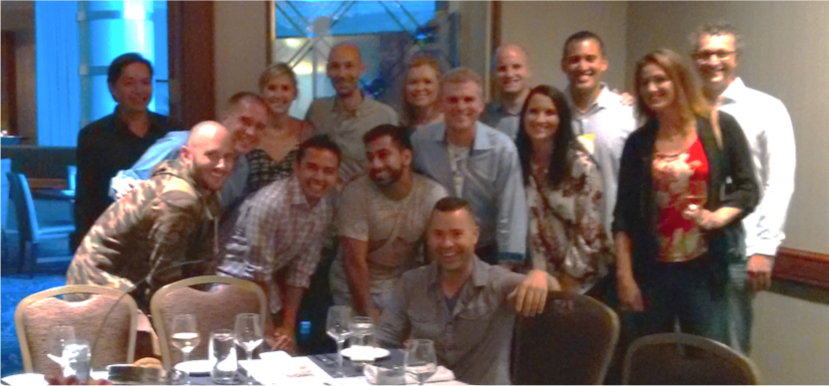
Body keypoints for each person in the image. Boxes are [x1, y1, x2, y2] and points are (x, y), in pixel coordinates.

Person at [614, 48, 758, 344]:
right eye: (645, 83)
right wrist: (625, 277)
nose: (652, 89)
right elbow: (623, 215)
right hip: (652, 272)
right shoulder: (638, 143)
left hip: (705, 270)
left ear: (679, 80)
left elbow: (748, 189)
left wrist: (717, 216)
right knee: (651, 358)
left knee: (706, 360)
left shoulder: (719, 125)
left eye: (661, 79)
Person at [690, 23, 796, 353]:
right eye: (705, 54)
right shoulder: (683, 110)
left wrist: (764, 249)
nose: (713, 61)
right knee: (691, 346)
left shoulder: (766, 109)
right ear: (695, 60)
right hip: (687, 249)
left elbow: (779, 182)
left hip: (739, 249)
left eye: (722, 53)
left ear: (736, 58)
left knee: (730, 348)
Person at [376, 197, 560, 386]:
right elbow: (384, 341)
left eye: (457, 234)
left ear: (475, 235)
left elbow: (559, 296)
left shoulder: (498, 283)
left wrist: (541, 276)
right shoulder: (411, 283)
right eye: (438, 234)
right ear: (428, 238)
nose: (447, 243)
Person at [67, 120, 236, 311]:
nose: (222, 166)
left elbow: (198, 267)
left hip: (129, 283)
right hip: (99, 290)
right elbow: (164, 284)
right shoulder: (179, 199)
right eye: (211, 156)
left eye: (228, 157)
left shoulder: (206, 191)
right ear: (186, 155)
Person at [216, 136, 341, 353]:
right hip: (230, 283)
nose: (319, 177)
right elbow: (258, 270)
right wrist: (267, 329)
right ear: (296, 167)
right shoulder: (271, 202)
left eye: (328, 171)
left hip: (266, 287)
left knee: (286, 351)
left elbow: (300, 273)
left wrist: (287, 328)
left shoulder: (323, 208)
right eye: (312, 168)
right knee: (262, 353)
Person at [329, 124, 448, 320]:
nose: (375, 164)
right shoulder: (356, 193)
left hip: (400, 286)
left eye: (384, 155)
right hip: (351, 288)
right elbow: (354, 262)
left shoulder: (432, 195)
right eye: (370, 157)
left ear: (406, 157)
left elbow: (434, 260)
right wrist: (368, 316)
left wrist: (428, 307)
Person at [410, 68, 527, 266]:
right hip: (438, 252)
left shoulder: (501, 148)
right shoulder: (420, 143)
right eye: (453, 100)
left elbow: (511, 211)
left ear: (481, 105)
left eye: (469, 99)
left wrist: (507, 267)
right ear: (441, 104)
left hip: (486, 252)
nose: (461, 107)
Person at [515, 85, 613, 296]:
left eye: (550, 112)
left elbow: (589, 232)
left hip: (579, 283)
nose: (540, 119)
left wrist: (566, 283)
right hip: (531, 280)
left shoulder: (581, 166)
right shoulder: (515, 162)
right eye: (533, 111)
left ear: (562, 119)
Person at [75, 53, 179, 242]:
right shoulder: (93, 136)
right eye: (129, 83)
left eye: (146, 82)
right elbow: (86, 199)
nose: (139, 90)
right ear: (113, 88)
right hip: (114, 236)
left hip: (164, 235)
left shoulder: (172, 131)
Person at [109, 92, 270, 208]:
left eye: (259, 127)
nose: (251, 132)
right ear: (224, 118)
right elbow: (126, 179)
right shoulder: (181, 143)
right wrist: (123, 186)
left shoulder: (243, 167)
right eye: (245, 121)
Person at [560, 31, 637, 234]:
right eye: (574, 60)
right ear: (564, 65)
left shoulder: (626, 114)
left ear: (604, 63)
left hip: (614, 236)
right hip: (565, 241)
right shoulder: (553, 113)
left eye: (590, 59)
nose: (583, 67)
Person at [305, 42, 399, 183]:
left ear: (362, 69)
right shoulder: (317, 110)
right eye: (335, 67)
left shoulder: (384, 116)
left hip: (365, 201)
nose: (342, 74)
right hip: (322, 199)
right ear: (328, 71)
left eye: (349, 66)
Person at [246, 63, 315, 194]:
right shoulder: (251, 132)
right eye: (272, 88)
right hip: (254, 212)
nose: (278, 95)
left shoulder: (306, 131)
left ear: (294, 93)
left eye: (285, 88)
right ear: (262, 92)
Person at [482, 44, 533, 140]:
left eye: (516, 67)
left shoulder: (546, 113)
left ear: (529, 71)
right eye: (502, 69)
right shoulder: (483, 116)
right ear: (493, 75)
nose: (509, 74)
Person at [401, 54, 444, 129]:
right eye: (413, 82)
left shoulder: (450, 126)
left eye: (427, 82)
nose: (419, 88)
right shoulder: (402, 126)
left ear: (439, 86)